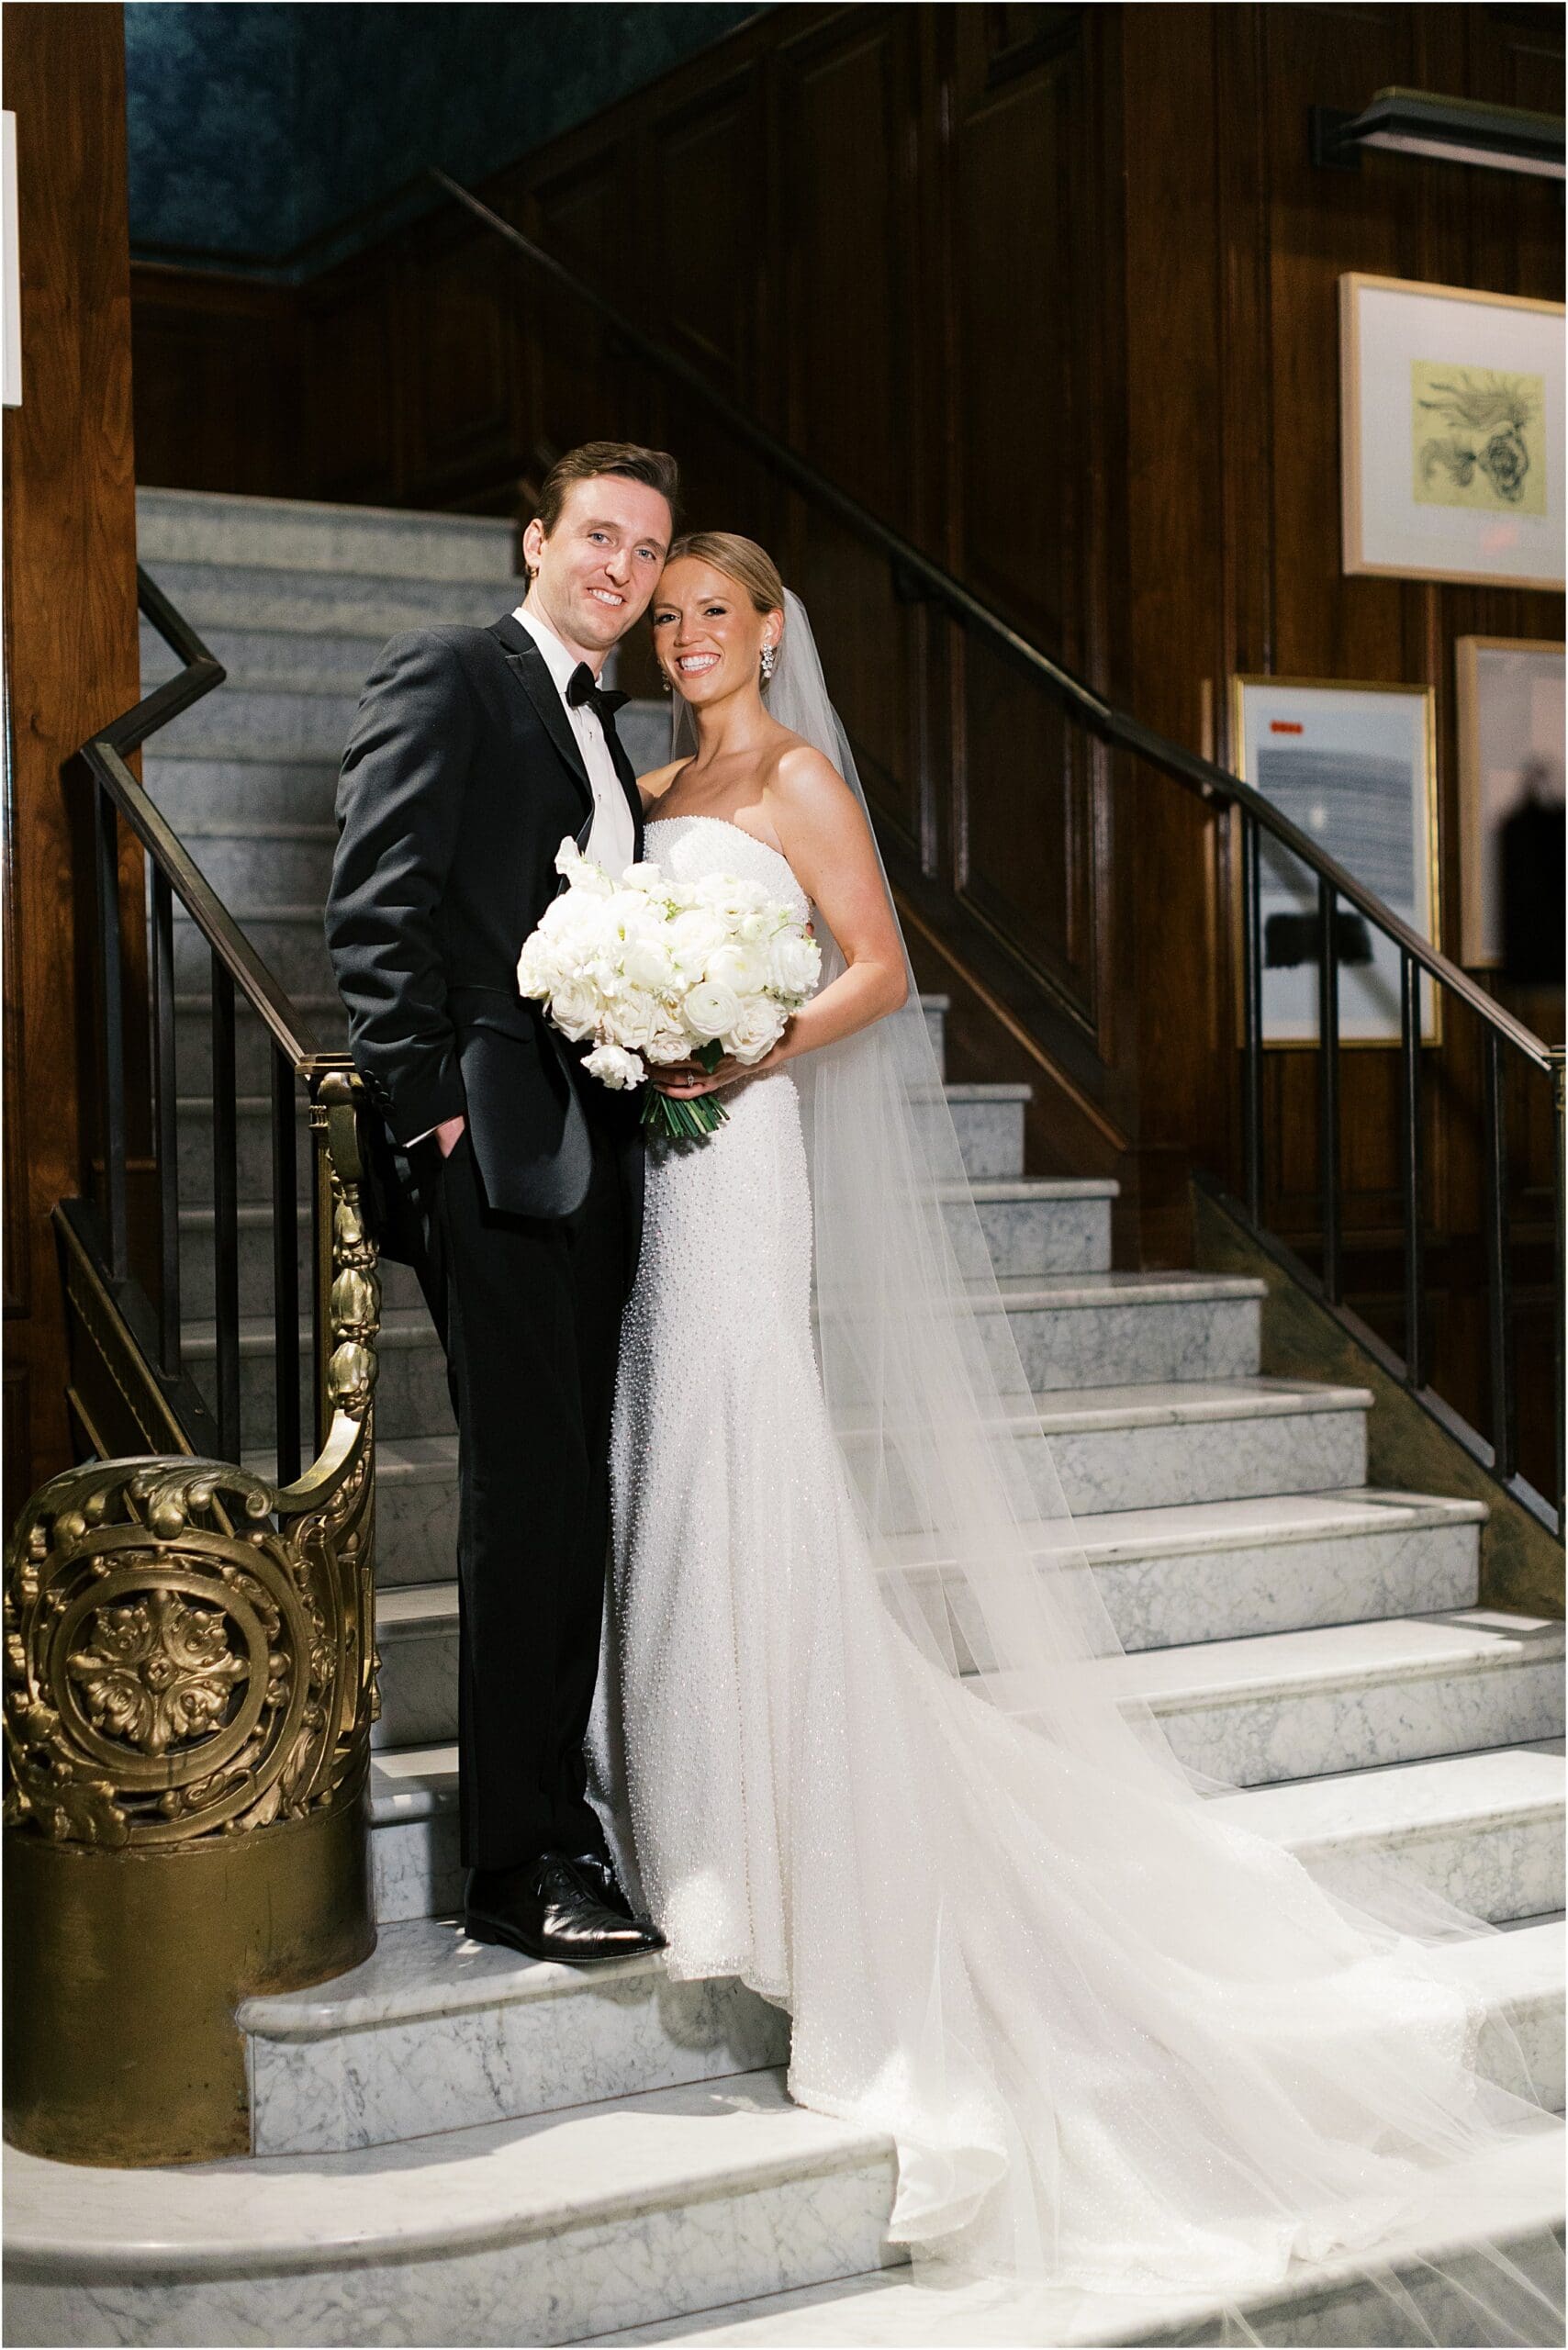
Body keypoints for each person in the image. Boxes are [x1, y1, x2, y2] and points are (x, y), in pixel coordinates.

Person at [589, 532, 1562, 2335]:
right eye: (665, 619)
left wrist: (734, 1047)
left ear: (770, 629)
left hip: (741, 1148)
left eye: (714, 611)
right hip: (643, 1161)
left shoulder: (797, 774)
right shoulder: (645, 777)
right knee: (659, 1434)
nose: (688, 637)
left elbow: (872, 970)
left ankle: (779, 1847)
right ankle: (689, 1811)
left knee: (739, 1422)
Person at [326, 442, 676, 1970]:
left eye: (648, 549)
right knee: (524, 1501)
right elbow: (376, 899)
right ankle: (515, 1868)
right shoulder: (453, 675)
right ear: (536, 540)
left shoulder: (612, 727)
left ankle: (559, 1822)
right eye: (597, 533)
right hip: (497, 1149)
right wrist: (432, 1113)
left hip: (598, 1150)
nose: (621, 565)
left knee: (570, 1493)